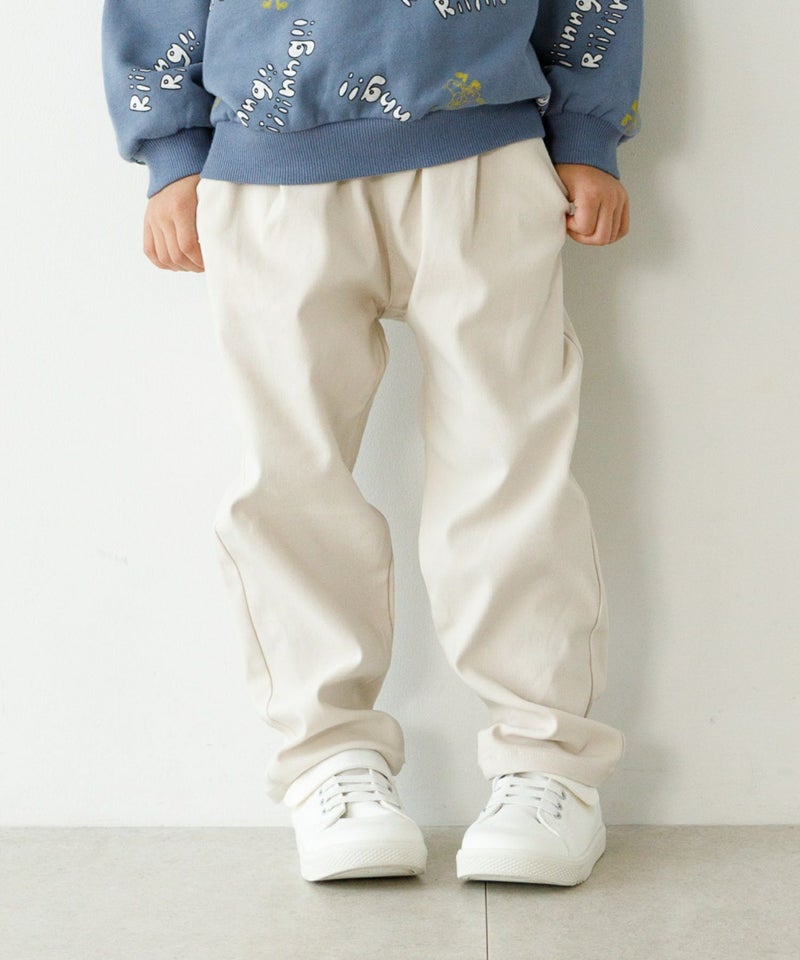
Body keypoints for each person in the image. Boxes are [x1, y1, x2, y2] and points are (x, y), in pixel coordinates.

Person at [101, 0, 643, 885]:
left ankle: (549, 764)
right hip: (269, 162)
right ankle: (328, 762)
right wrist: (170, 150)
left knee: (510, 464)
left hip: (484, 152)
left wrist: (586, 130)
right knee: (292, 477)